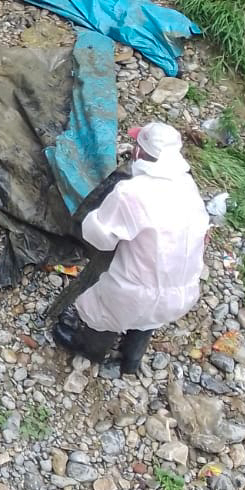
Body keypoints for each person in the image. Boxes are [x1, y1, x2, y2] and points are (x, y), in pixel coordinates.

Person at [53, 122, 209, 374]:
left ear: (139, 151)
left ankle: (90, 349)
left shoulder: (131, 192)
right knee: (149, 317)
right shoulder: (188, 188)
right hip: (183, 293)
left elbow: (100, 237)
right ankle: (131, 360)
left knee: (103, 310)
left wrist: (91, 216)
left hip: (132, 294)